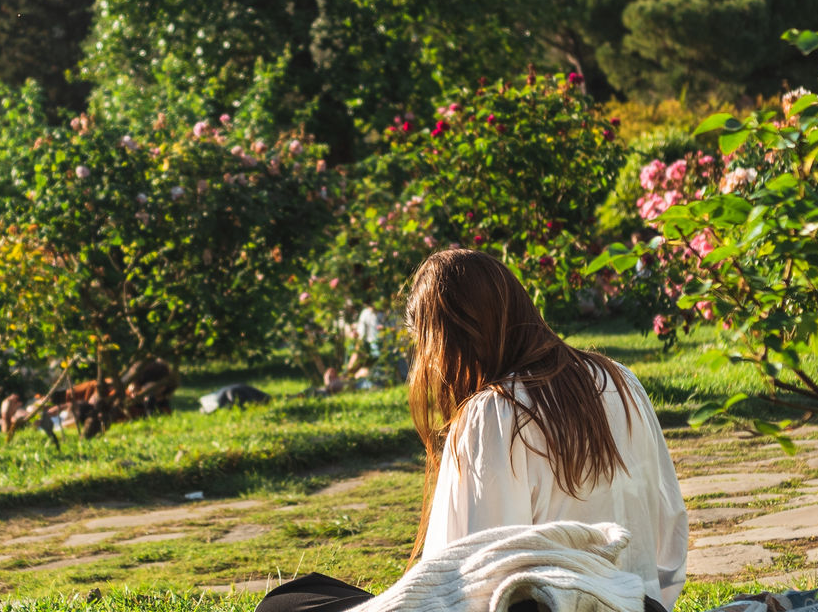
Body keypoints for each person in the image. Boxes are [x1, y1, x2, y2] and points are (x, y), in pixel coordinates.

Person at [257, 248, 686, 612]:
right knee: (311, 591)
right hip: (638, 603)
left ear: (453, 340)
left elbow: (468, 578)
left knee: (288, 602)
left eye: (426, 346)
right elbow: (670, 528)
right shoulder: (620, 380)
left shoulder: (494, 413)